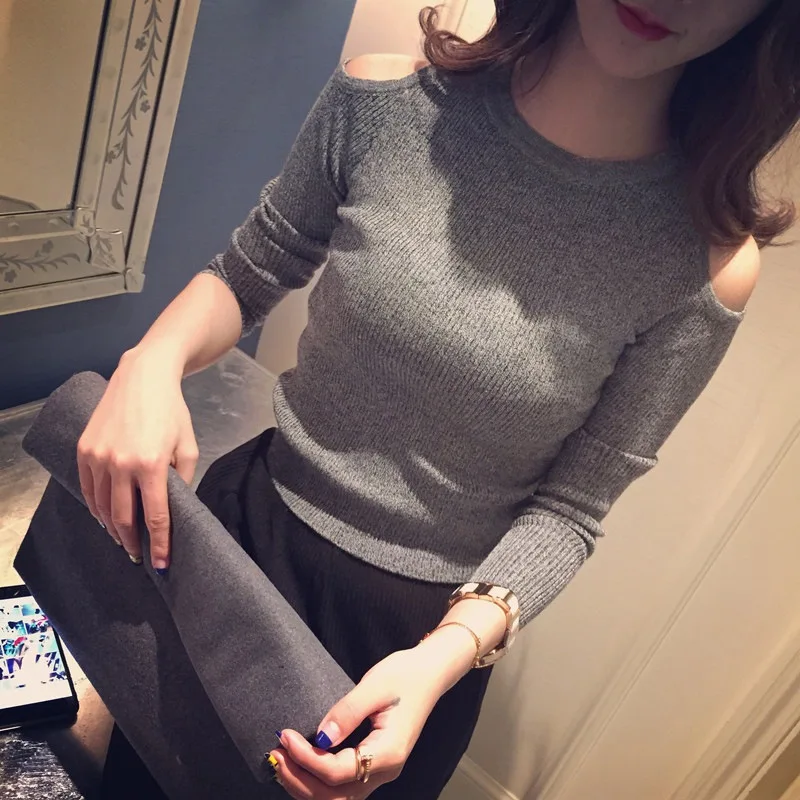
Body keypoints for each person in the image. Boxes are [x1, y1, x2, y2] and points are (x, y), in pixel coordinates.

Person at [77, 1, 799, 798]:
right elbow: (253, 268)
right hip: (238, 541)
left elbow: (572, 508)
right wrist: (151, 360)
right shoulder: (383, 106)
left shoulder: (705, 265)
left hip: (409, 650)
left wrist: (441, 659)